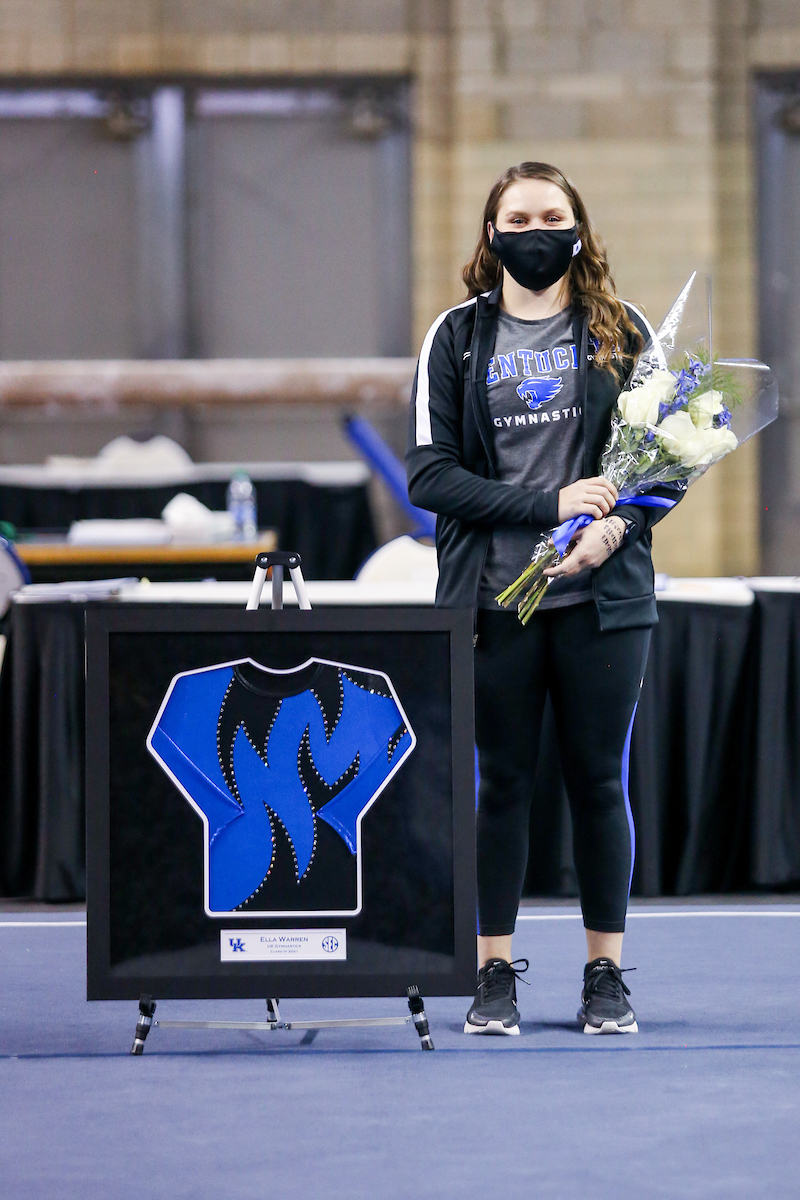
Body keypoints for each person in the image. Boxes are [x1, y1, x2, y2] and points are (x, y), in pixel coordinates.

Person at [406, 161, 681, 1035]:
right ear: (491, 234)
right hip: (496, 604)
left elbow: (668, 459)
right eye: (517, 216)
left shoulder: (622, 329)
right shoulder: (454, 337)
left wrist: (613, 531)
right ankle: (495, 975)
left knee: (602, 782)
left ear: (578, 226)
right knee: (505, 787)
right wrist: (549, 506)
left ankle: (606, 976)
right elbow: (430, 476)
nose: (535, 230)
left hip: (605, 604)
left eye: (551, 215)